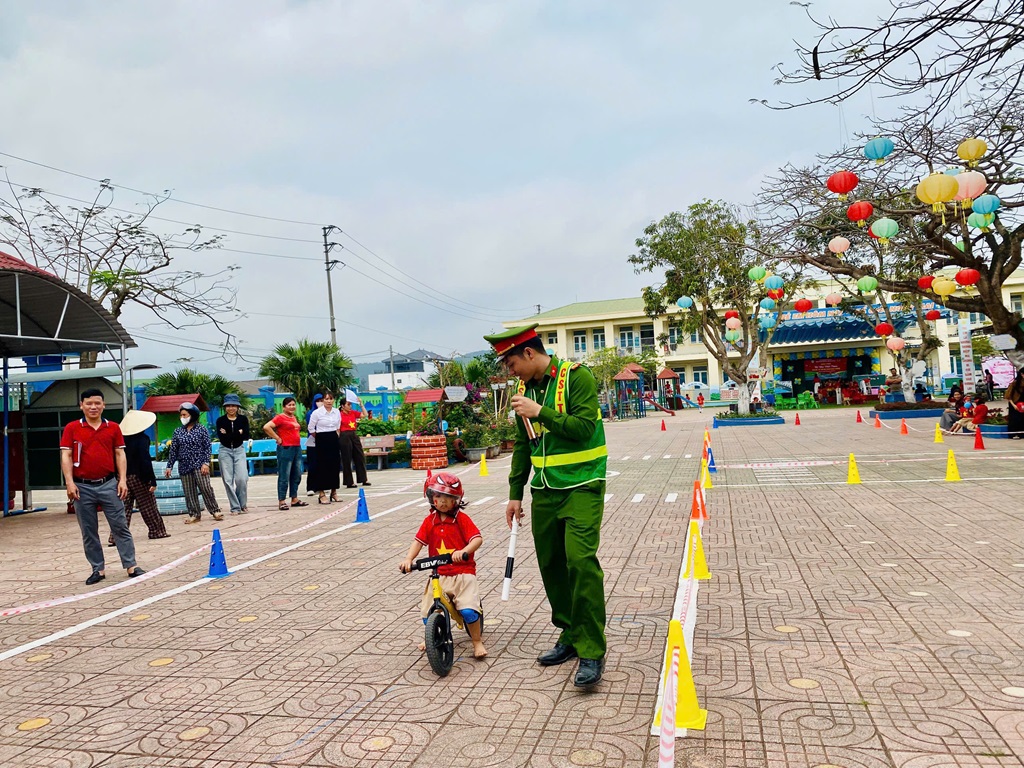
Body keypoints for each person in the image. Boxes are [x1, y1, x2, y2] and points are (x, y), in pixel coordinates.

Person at [485, 323, 608, 687]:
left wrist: (541, 412)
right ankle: (570, 634)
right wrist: (514, 492)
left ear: (528, 353)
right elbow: (523, 443)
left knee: (581, 562)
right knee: (552, 564)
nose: (509, 373)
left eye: (510, 365)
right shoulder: (524, 390)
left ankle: (591, 649)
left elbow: (584, 428)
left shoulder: (577, 378)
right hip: (545, 491)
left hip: (583, 485)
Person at [60, 389, 146, 584]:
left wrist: (122, 480)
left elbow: (119, 454)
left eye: (97, 403)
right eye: (89, 403)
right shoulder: (72, 428)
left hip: (109, 484)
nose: (93, 407)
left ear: (104, 405)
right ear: (81, 405)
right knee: (89, 531)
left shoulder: (113, 427)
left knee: (120, 526)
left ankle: (131, 565)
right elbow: (66, 455)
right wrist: (69, 482)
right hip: (82, 488)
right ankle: (98, 569)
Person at [399, 472, 486, 659]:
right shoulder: (429, 521)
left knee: (468, 611)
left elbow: (477, 539)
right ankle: (433, 636)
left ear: (456, 499)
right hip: (439, 574)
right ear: (431, 498)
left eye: (448, 497)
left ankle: (477, 641)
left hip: (463, 573)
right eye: (438, 496)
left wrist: (464, 552)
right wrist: (408, 559)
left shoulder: (461, 519)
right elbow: (418, 541)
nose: (443, 501)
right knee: (428, 611)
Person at [108, 409, 168, 544]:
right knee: (148, 506)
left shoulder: (119, 439)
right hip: (139, 477)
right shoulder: (142, 439)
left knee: (123, 508)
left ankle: (116, 537)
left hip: (122, 477)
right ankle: (157, 531)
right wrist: (152, 480)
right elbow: (145, 460)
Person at [165, 403, 223, 524]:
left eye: (185, 415)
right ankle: (194, 514)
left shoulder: (202, 429)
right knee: (189, 491)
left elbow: (207, 447)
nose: (182, 417)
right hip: (184, 465)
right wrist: (169, 466)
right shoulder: (178, 432)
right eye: (181, 415)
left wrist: (206, 463)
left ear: (192, 415)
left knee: (205, 487)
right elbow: (174, 450)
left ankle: (215, 510)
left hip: (199, 464)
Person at [262, 397, 309, 510]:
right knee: (284, 475)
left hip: (296, 448)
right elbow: (266, 427)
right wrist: (278, 438)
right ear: (284, 407)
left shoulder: (293, 417)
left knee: (296, 474)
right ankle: (282, 500)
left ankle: (294, 498)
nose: (292, 407)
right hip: (286, 449)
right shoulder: (280, 417)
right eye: (289, 405)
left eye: (293, 404)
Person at [215, 394, 250, 515]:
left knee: (242, 478)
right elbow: (223, 438)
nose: (231, 408)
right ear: (225, 407)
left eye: (233, 406)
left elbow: (245, 435)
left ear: (237, 407)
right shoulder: (221, 421)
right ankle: (235, 507)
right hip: (225, 451)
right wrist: (237, 433)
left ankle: (242, 504)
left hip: (239, 450)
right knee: (228, 480)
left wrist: (230, 433)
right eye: (228, 406)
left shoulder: (243, 419)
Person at [307, 390, 341, 504]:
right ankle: (321, 493)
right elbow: (311, 428)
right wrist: (319, 437)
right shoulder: (317, 413)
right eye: (326, 399)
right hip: (321, 439)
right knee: (322, 466)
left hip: (333, 439)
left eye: (331, 399)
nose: (329, 401)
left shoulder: (336, 412)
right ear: (323, 400)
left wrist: (336, 436)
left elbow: (338, 426)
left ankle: (334, 492)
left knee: (334, 465)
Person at [339, 398, 371, 488]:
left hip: (353, 434)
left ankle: (363, 479)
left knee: (360, 456)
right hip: (344, 435)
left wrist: (361, 404)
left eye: (350, 404)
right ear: (342, 406)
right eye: (348, 404)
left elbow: (365, 414)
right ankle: (349, 482)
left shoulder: (353, 412)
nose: (350, 406)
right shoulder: (339, 415)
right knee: (347, 458)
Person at [304, 394, 323, 496]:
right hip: (312, 441)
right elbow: (310, 427)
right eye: (318, 400)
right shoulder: (310, 413)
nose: (320, 402)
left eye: (321, 400)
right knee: (312, 464)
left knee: (322, 464)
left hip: (323, 442)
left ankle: (321, 486)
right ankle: (310, 487)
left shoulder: (326, 413)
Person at [1007, 368, 1024, 440]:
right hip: (1014, 403)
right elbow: (1008, 396)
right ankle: (1013, 434)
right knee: (1014, 419)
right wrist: (1014, 405)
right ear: (1022, 374)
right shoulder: (1014, 383)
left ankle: (1022, 434)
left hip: (1023, 404)